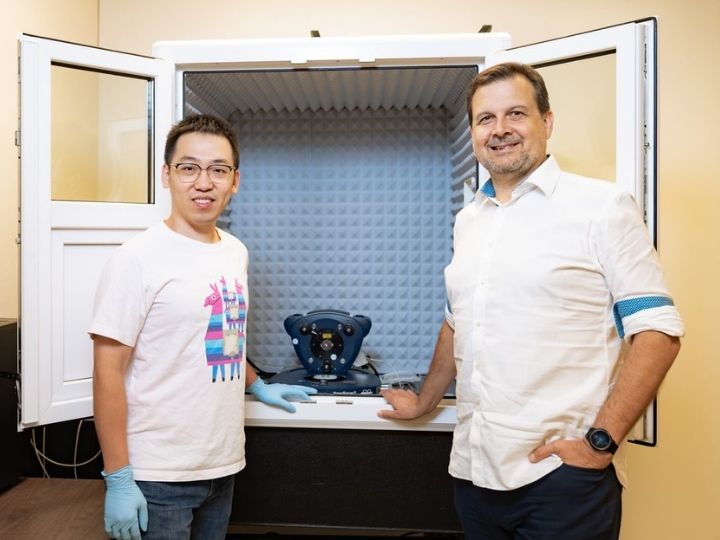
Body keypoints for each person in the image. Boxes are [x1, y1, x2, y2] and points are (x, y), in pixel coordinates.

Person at [378, 63, 683, 540]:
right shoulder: (470, 220)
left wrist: (599, 445)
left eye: (515, 113)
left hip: (559, 482)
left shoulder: (602, 207)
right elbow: (457, 321)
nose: (499, 130)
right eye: (485, 119)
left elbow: (658, 331)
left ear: (547, 121)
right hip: (474, 474)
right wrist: (424, 401)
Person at [89, 113, 316, 540]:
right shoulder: (136, 258)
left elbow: (223, 330)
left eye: (218, 169)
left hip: (223, 464)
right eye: (189, 167)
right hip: (158, 475)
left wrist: (256, 383)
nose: (204, 182)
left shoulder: (235, 251)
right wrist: (118, 476)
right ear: (166, 175)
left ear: (235, 181)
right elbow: (107, 372)